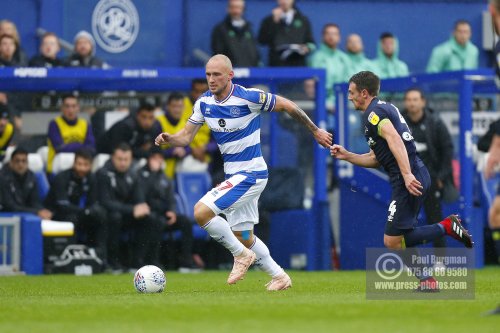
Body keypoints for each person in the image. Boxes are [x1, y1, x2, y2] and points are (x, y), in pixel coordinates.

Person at [155, 54, 332, 290]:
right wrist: (170, 139)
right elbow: (186, 138)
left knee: (200, 212)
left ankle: (241, 256)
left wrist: (315, 131)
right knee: (244, 237)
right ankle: (280, 276)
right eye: (208, 74)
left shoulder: (248, 97)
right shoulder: (203, 103)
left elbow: (288, 105)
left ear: (230, 75)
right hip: (234, 176)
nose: (211, 79)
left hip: (252, 173)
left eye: (216, 74)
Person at [330, 71, 473, 290]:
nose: (349, 97)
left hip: (409, 176)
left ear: (364, 93)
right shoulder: (382, 108)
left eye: (352, 93)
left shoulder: (373, 114)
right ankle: (428, 281)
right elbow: (376, 158)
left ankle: (446, 227)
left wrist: (406, 174)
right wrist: (347, 155)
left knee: (392, 240)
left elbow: (394, 138)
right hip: (412, 173)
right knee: (399, 237)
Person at [402, 88, 457, 249]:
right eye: (409, 100)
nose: (412, 103)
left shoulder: (435, 123)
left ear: (423, 102)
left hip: (431, 180)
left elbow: (447, 150)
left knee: (435, 219)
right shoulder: (400, 124)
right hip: (407, 181)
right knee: (404, 222)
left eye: (415, 99)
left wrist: (441, 176)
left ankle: (440, 260)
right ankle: (410, 260)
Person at [138, 147, 200, 272]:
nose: (159, 162)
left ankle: (186, 261)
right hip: (148, 215)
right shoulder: (141, 175)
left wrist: (172, 211)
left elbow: (171, 198)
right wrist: (153, 174)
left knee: (186, 222)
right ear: (149, 160)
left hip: (163, 214)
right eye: (155, 159)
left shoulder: (165, 177)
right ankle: (154, 260)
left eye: (160, 159)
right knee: (156, 221)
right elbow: (142, 196)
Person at [97, 143, 156, 271]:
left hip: (127, 215)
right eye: (120, 159)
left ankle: (138, 262)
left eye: (126, 159)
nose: (123, 163)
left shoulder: (133, 174)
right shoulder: (103, 174)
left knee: (150, 218)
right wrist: (132, 209)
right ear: (113, 158)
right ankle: (113, 262)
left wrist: (142, 207)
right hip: (108, 217)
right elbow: (105, 202)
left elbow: (139, 198)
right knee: (115, 217)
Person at [44, 149, 106, 260]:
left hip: (80, 213)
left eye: (85, 165)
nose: (82, 168)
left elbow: (93, 201)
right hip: (57, 213)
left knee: (100, 216)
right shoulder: (62, 177)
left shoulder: (91, 178)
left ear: (90, 165)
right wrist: (85, 211)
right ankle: (71, 257)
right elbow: (62, 205)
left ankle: (98, 256)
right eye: (79, 164)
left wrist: (89, 211)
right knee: (72, 219)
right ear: (74, 163)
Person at [157, 93, 208, 178]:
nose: (177, 110)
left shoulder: (186, 123)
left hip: (179, 163)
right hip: (162, 161)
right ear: (168, 106)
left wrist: (184, 151)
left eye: (180, 106)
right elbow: (154, 149)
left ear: (184, 107)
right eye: (174, 106)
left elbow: (189, 146)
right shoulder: (159, 122)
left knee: (201, 166)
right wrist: (172, 151)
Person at [47, 94, 95, 173]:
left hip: (82, 169)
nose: (70, 110)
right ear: (62, 108)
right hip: (58, 170)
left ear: (78, 108)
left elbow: (92, 149)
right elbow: (59, 148)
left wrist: (70, 146)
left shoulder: (85, 124)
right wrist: (81, 147)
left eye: (73, 106)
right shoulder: (54, 124)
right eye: (67, 106)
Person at [258, 0, 315, 67]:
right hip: (277, 66)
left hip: (298, 66)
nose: (284, 1)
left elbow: (311, 43)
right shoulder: (268, 20)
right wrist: (274, 22)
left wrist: (307, 48)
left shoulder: (303, 20)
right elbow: (262, 40)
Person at [0, 147, 53, 219]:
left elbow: (35, 202)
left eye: (23, 161)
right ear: (11, 163)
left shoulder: (31, 177)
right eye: (17, 161)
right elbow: (9, 205)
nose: (20, 164)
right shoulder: (3, 177)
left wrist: (42, 211)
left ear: (27, 163)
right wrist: (36, 212)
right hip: (7, 214)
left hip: (26, 213)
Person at [308, 23, 350, 108]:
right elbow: (312, 85)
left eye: (334, 34)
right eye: (328, 33)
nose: (331, 37)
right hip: (322, 106)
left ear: (339, 38)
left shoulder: (345, 58)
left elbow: (350, 83)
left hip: (344, 105)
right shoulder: (316, 58)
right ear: (323, 37)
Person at [211, 0, 260, 67]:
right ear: (228, 9)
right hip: (229, 73)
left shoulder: (249, 28)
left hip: (251, 72)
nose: (236, 11)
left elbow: (255, 51)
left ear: (243, 9)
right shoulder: (220, 29)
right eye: (233, 7)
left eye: (239, 7)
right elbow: (218, 53)